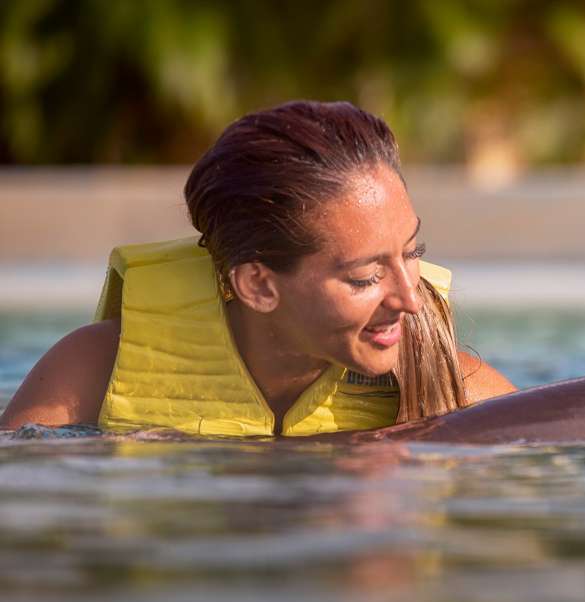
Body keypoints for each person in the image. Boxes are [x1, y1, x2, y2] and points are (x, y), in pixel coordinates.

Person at [0, 101, 515, 436]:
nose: (411, 297)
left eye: (411, 253)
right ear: (259, 285)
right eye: (365, 278)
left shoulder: (456, 391)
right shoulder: (89, 375)